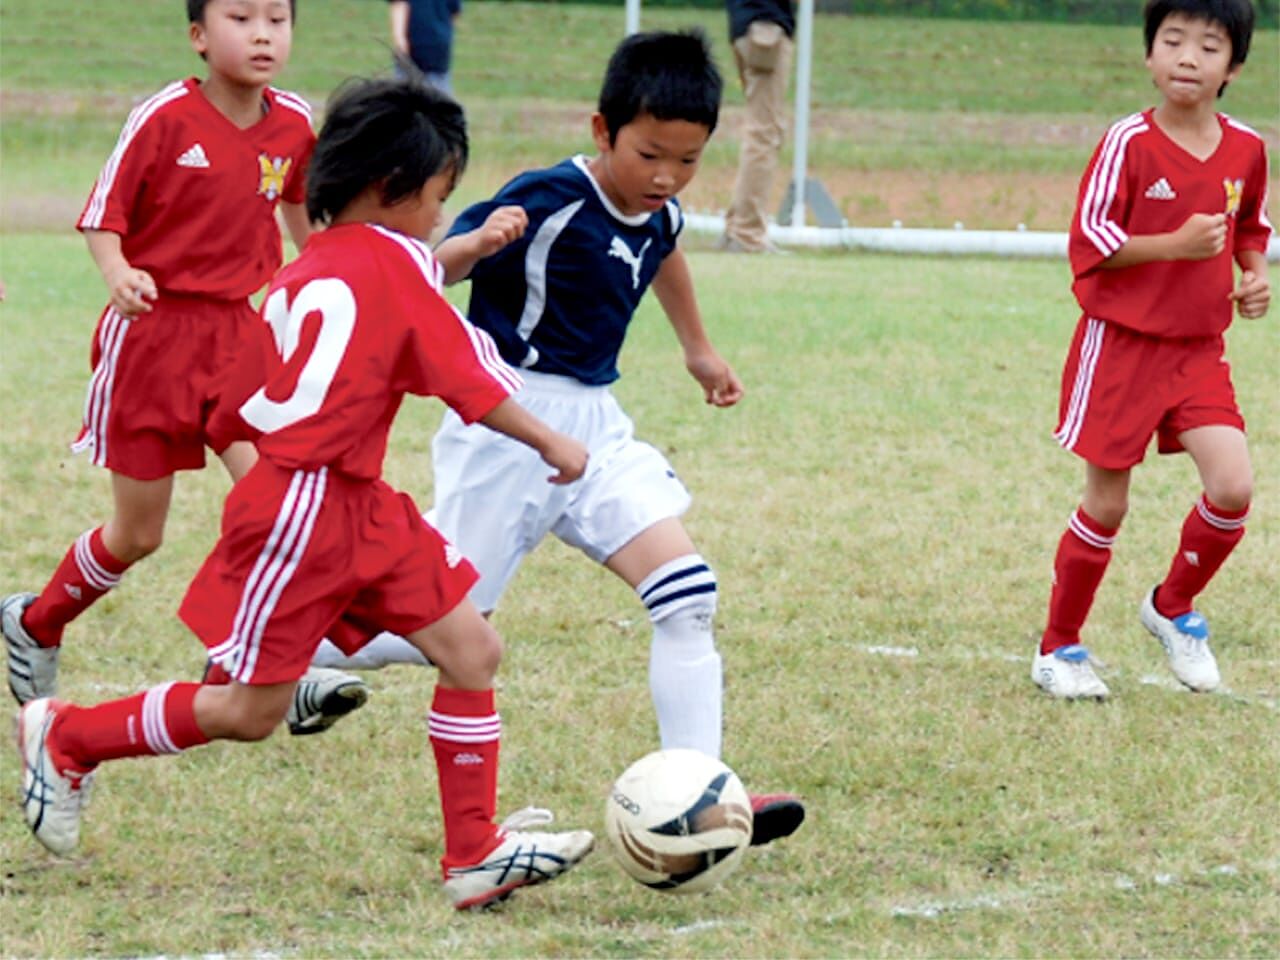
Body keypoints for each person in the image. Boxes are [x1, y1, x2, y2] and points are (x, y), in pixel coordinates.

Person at [17, 72, 597, 911]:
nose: (441, 214)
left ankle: (473, 853)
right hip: (306, 509)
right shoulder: (396, 262)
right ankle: (69, 735)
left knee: (472, 651)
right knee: (249, 713)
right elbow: (465, 370)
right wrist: (549, 439)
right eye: (440, 195)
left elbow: (236, 406)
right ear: (393, 189)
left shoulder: (305, 270)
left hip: (353, 502)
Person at [315, 29, 806, 847]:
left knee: (687, 597)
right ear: (601, 130)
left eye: (688, 161)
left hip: (597, 429)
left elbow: (666, 249)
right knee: (446, 629)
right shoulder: (546, 197)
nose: (666, 177)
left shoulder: (662, 208)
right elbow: (416, 266)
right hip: (506, 425)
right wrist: (469, 247)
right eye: (651, 154)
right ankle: (299, 653)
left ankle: (704, 793)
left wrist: (697, 348)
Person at [0, 0, 368, 735]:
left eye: (278, 19)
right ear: (199, 37)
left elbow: (308, 228)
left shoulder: (294, 124)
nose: (262, 33)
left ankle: (256, 667)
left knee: (278, 504)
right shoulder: (163, 118)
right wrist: (119, 274)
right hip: (152, 339)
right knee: (139, 535)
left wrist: (341, 288)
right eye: (241, 17)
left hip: (239, 336)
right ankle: (36, 622)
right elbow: (105, 218)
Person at [1032, 0, 1270, 700]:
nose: (1188, 57)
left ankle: (1172, 607)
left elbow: (1251, 224)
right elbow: (1091, 244)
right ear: (1149, 54)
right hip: (1121, 349)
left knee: (1233, 487)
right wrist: (1173, 246)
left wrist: (1255, 277)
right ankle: (1059, 648)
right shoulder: (1126, 143)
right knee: (1107, 505)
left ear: (1234, 66)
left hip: (1199, 351)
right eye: (1172, 41)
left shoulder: (1247, 148)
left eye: (1208, 45)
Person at [717, 0, 794, 254]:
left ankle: (737, 226)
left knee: (763, 129)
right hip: (766, 25)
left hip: (746, 24)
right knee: (764, 133)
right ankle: (747, 232)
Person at [388, 0, 460, 94]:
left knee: (405, 94)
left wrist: (400, 39)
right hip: (438, 46)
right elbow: (454, 13)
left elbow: (399, 6)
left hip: (414, 45)